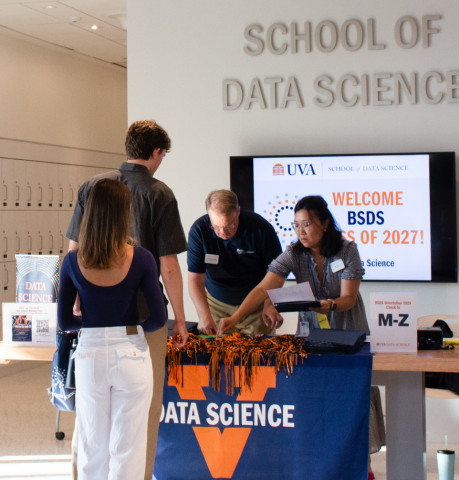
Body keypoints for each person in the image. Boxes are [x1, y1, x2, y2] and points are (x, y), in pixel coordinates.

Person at [218, 195, 385, 479]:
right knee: (316, 402)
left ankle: (363, 470)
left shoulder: (346, 251)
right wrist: (235, 318)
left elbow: (348, 298)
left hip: (348, 337)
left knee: (354, 403)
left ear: (324, 222)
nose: (301, 232)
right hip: (312, 339)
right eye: (296, 226)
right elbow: (264, 289)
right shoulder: (294, 253)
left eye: (306, 224)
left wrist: (329, 304)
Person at [66, 119, 188, 480]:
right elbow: (168, 266)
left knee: (90, 414)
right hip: (141, 317)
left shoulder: (92, 186)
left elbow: (73, 249)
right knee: (141, 414)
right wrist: (179, 319)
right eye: (163, 154)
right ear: (156, 153)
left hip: (93, 315)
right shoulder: (160, 193)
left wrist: (75, 298)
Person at [58, 179, 167, 479]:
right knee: (129, 445)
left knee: (93, 442)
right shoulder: (142, 258)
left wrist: (93, 326)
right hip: (131, 350)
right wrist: (129, 331)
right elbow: (158, 317)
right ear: (124, 214)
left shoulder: (71, 261)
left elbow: (65, 322)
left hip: (91, 352)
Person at [187, 189, 282, 336]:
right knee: (218, 356)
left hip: (256, 306)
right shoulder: (199, 231)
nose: (223, 232)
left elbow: (277, 274)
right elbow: (195, 280)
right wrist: (203, 315)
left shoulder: (260, 229)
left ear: (238, 211)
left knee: (260, 355)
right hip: (217, 305)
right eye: (216, 227)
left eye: (229, 226)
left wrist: (270, 303)